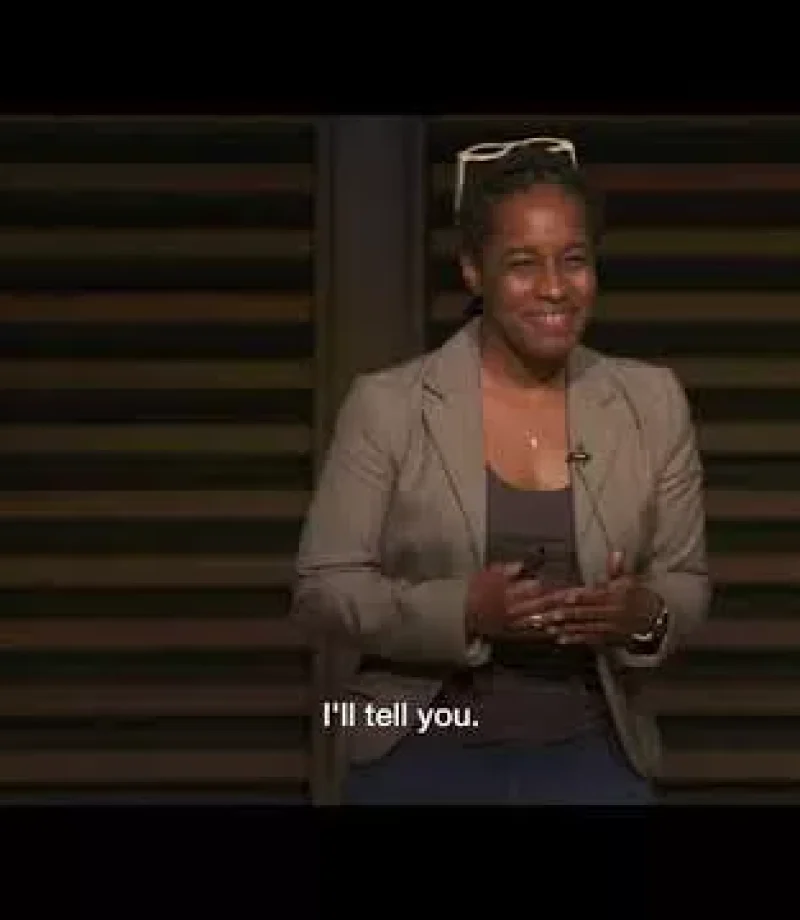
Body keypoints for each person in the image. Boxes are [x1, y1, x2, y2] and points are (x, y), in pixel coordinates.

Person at [292, 135, 711, 805]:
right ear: (472, 270)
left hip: (592, 752)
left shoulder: (652, 403)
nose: (553, 288)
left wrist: (641, 615)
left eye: (573, 261)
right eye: (522, 263)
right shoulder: (390, 405)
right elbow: (322, 590)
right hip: (417, 740)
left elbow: (684, 586)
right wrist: (465, 611)